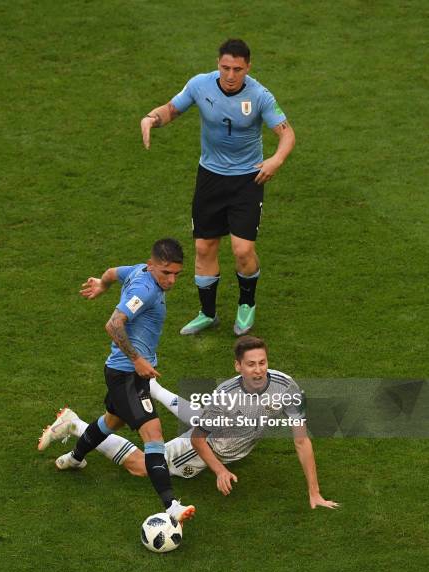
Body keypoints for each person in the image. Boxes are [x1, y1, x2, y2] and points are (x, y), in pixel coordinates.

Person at [39, 336, 338, 510]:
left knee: (204, 414)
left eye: (262, 362)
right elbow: (197, 438)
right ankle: (75, 423)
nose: (258, 370)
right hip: (206, 446)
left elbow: (301, 439)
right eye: (250, 364)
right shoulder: (227, 394)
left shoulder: (286, 386)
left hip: (227, 430)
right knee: (142, 467)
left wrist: (314, 492)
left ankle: (151, 389)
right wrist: (219, 470)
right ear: (238, 366)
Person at [141, 39, 295, 336]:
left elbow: (287, 134)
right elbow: (172, 109)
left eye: (237, 69)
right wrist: (151, 119)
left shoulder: (261, 96)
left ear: (248, 67)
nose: (230, 74)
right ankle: (207, 313)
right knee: (203, 246)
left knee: (242, 249)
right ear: (218, 64)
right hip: (210, 177)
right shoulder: (200, 85)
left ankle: (246, 305)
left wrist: (276, 160)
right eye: (225, 67)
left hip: (248, 179)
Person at [39, 238, 195, 523]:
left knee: (112, 421)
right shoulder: (144, 289)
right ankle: (171, 505)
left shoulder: (138, 271)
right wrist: (137, 359)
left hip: (125, 373)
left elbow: (112, 271)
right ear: (152, 266)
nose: (171, 280)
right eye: (166, 273)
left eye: (176, 274)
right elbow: (113, 324)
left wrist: (102, 282)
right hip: (127, 375)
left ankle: (74, 458)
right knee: (154, 434)